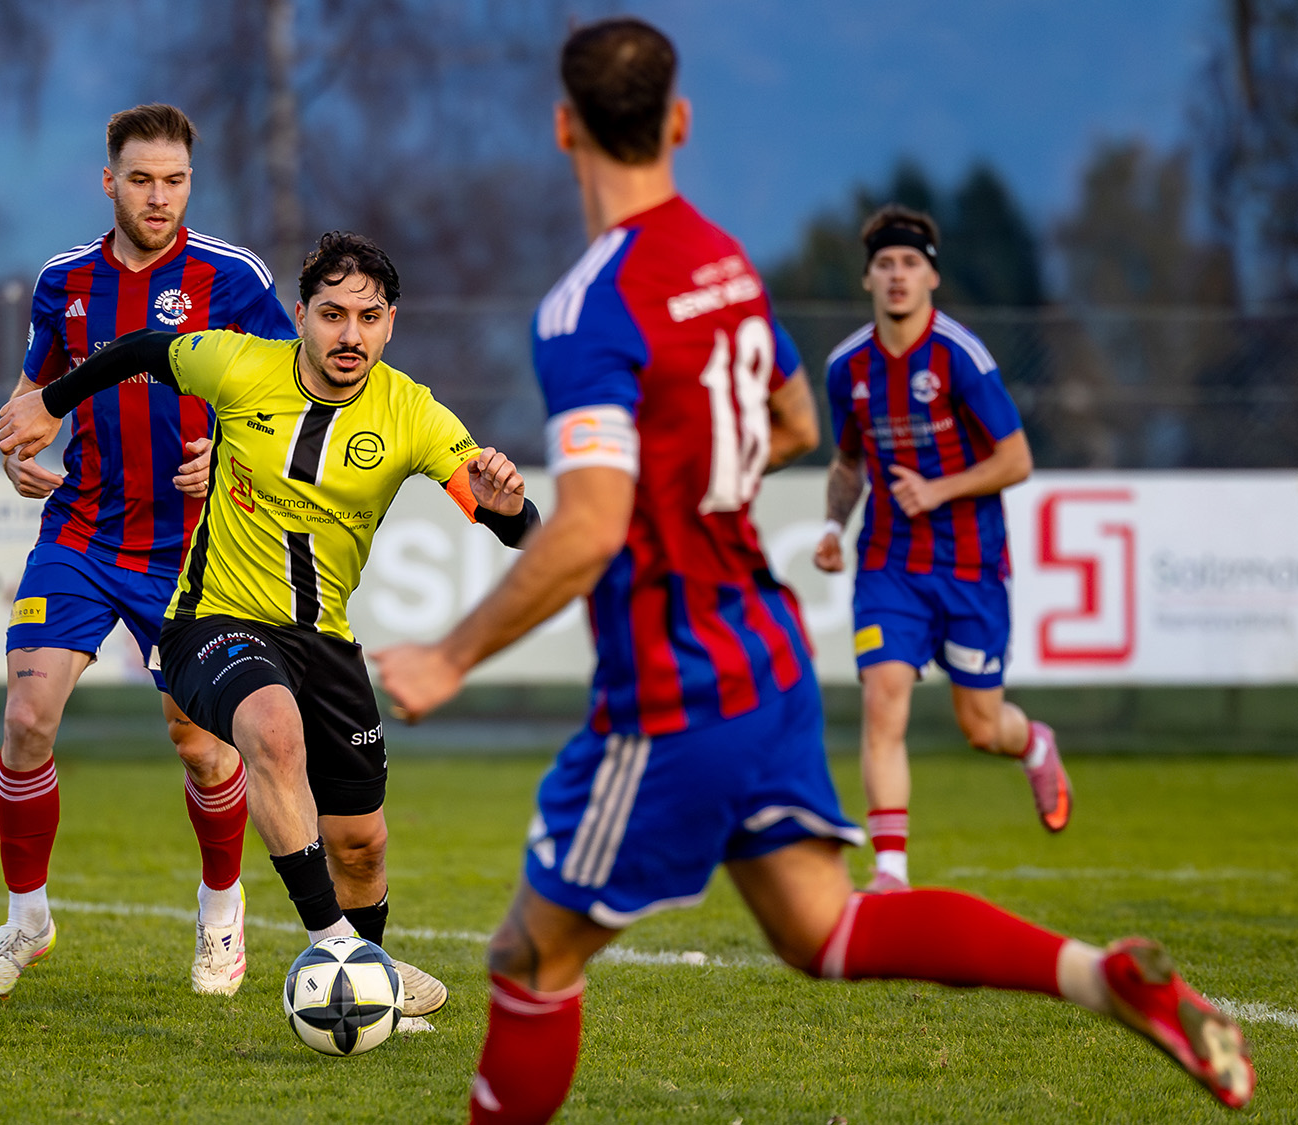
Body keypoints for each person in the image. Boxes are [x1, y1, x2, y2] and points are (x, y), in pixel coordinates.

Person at [371, 17, 1254, 1121]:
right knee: (823, 931)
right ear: (679, 123)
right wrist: (696, 464)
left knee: (527, 959)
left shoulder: (585, 306)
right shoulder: (724, 262)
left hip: (673, 680)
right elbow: (791, 421)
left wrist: (451, 658)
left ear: (564, 129)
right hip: (767, 646)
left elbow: (591, 524)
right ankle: (1099, 973)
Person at [0, 229, 540, 1027]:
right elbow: (143, 348)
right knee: (273, 733)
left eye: (368, 316)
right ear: (300, 317)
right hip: (210, 621)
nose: (349, 334)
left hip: (324, 640)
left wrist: (509, 505)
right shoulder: (241, 364)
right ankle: (335, 949)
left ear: (391, 324)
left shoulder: (414, 413)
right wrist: (50, 401)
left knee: (361, 844)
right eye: (331, 314)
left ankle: (368, 976)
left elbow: (512, 524)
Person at [0, 104, 298, 1002]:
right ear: (107, 182)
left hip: (191, 548)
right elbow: (34, 390)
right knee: (27, 719)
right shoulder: (63, 281)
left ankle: (221, 910)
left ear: (192, 182)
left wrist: (227, 452)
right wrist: (14, 444)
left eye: (175, 180)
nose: (159, 196)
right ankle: (26, 919)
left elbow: (290, 397)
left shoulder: (232, 276)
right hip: (79, 530)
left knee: (197, 742)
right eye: (142, 179)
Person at [813, 204, 1071, 891]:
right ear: (867, 279)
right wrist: (835, 528)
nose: (897, 276)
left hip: (970, 566)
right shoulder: (848, 368)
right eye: (885, 264)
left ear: (932, 275)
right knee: (884, 695)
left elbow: (1016, 459)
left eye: (910, 263)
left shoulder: (960, 357)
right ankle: (890, 871)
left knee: (982, 727)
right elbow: (848, 462)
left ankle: (1034, 741)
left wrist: (940, 489)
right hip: (889, 564)